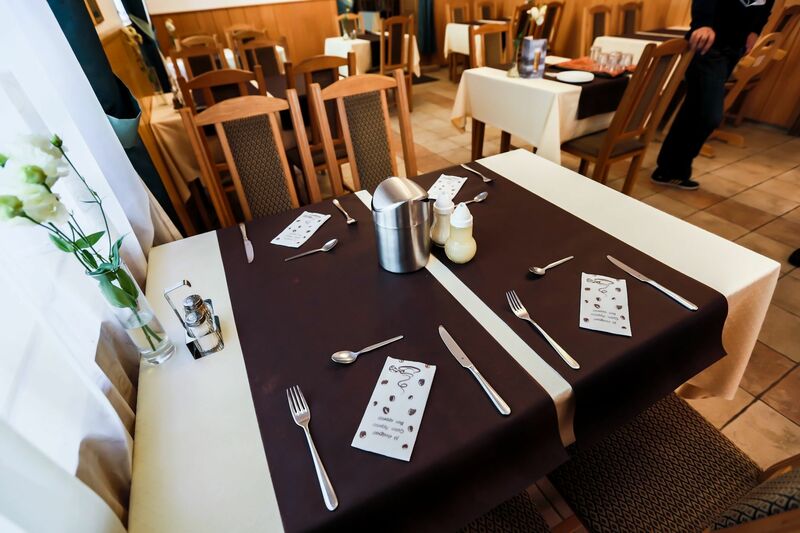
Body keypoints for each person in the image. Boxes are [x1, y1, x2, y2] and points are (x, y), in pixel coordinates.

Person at [652, 0, 775, 190]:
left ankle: (669, 171)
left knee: (693, 108)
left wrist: (755, 31)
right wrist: (702, 23)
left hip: (733, 49)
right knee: (709, 116)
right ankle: (672, 169)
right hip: (708, 46)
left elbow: (765, 7)